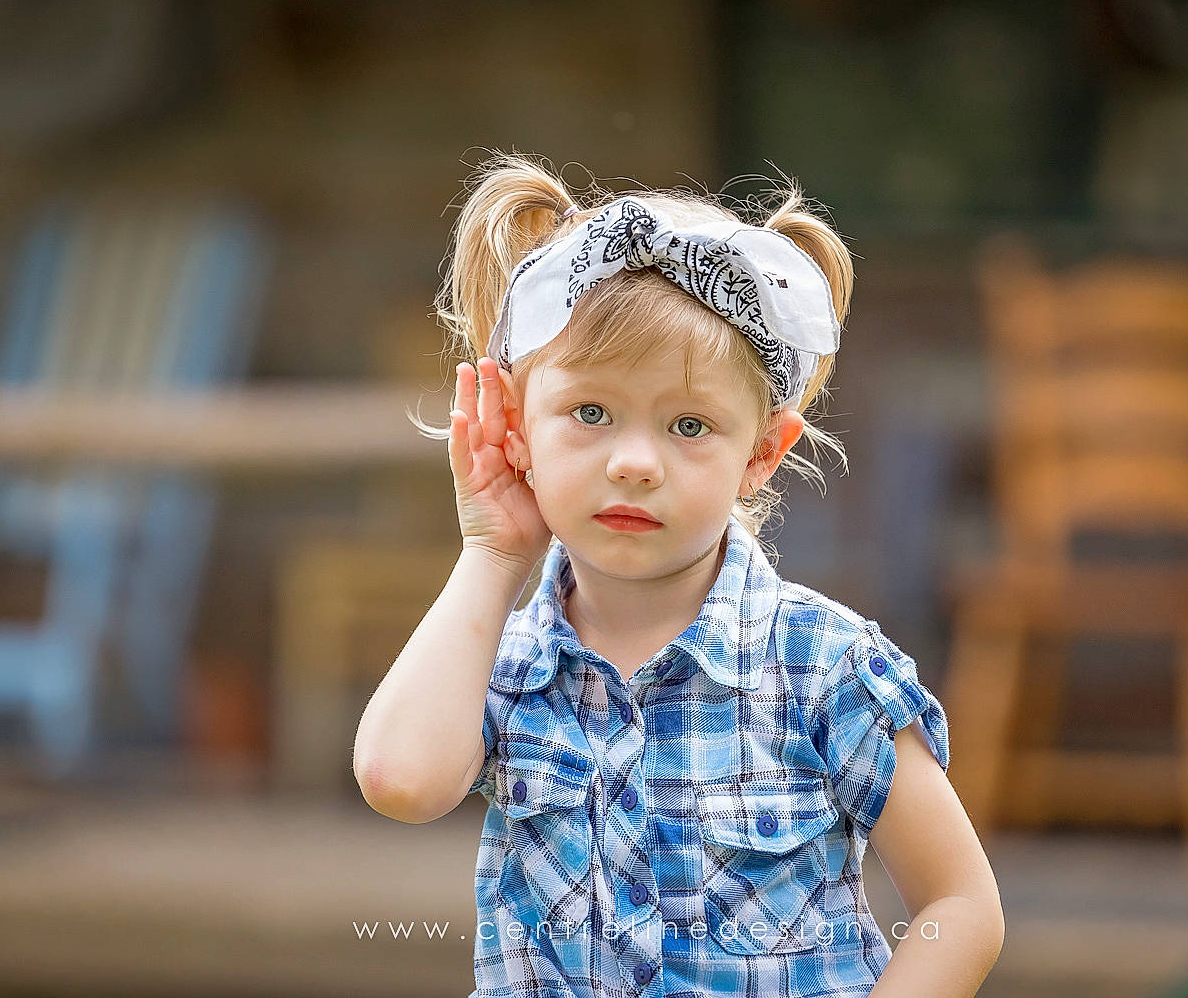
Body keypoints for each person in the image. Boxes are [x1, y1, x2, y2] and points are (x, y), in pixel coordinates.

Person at [354, 153, 1004, 997]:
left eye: (689, 425)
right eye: (590, 413)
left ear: (763, 452)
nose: (633, 462)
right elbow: (399, 781)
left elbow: (962, 902)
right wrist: (492, 551)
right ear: (515, 424)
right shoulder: (502, 669)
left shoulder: (824, 667)